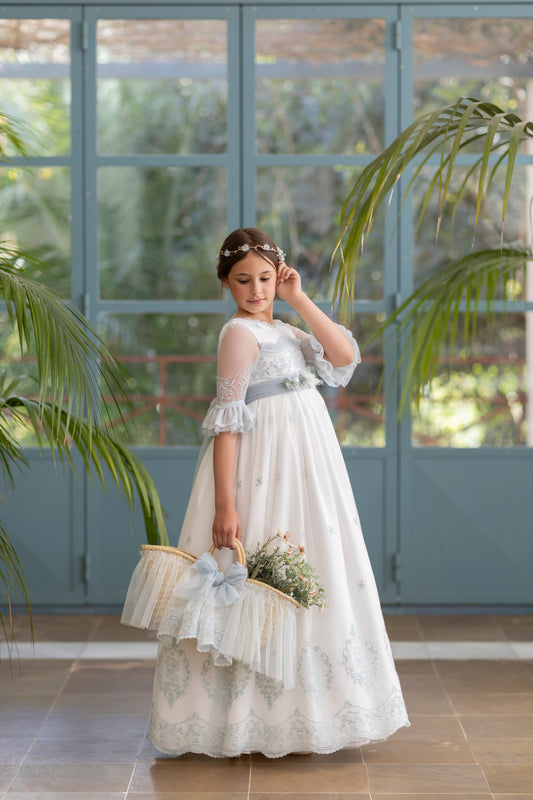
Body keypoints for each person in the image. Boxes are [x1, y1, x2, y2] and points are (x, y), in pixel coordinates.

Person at [147, 227, 409, 757]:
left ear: (279, 276)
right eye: (243, 280)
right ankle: (246, 719)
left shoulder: (287, 330)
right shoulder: (239, 335)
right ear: (226, 283)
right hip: (264, 474)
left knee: (310, 577)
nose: (256, 289)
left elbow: (342, 359)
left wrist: (300, 297)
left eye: (266, 278)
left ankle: (299, 716)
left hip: (307, 474)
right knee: (261, 582)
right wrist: (226, 505)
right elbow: (227, 424)